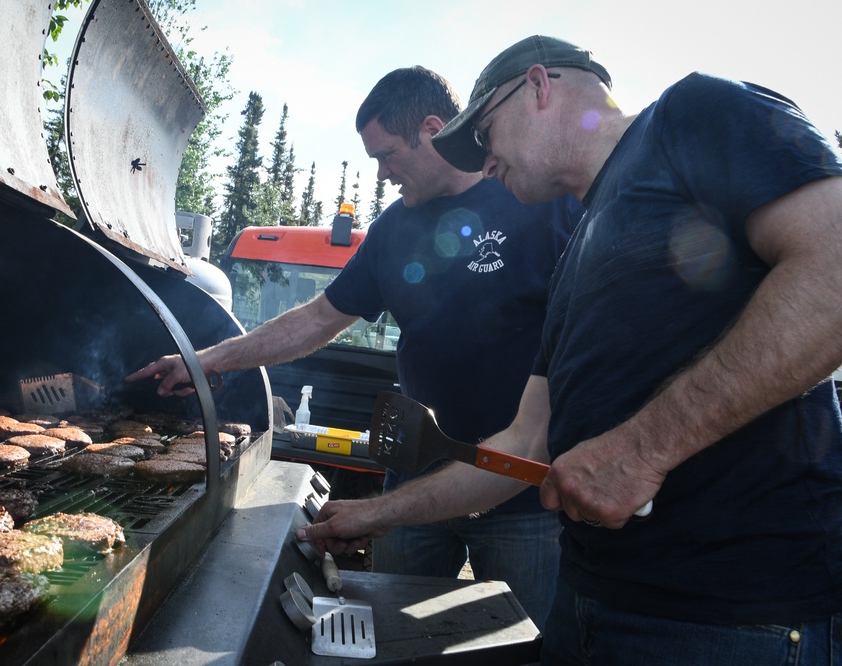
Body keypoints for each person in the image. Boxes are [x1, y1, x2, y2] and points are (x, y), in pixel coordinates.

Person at [297, 35, 842, 665]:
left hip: (734, 617)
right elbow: (523, 446)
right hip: (589, 604)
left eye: (486, 134)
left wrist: (643, 448)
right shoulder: (575, 254)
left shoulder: (693, 114)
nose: (485, 161)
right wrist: (378, 513)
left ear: (538, 86)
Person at [126, 65, 583, 629]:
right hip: (413, 487)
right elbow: (317, 319)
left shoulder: (539, 202)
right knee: (391, 637)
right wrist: (205, 360)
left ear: (434, 129)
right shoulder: (394, 230)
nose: (383, 173)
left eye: (388, 155)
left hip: (523, 498)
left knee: (525, 645)